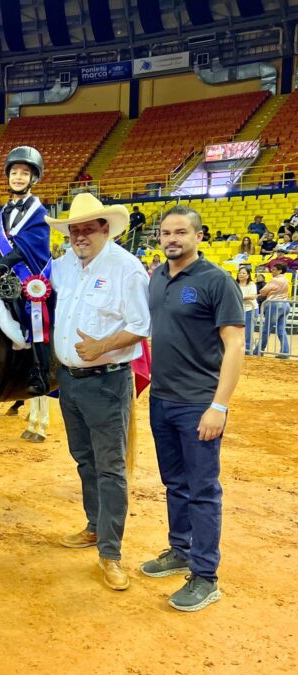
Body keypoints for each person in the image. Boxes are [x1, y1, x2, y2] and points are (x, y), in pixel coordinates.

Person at [45, 193, 150, 592]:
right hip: (70, 382)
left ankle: (111, 552)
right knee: (84, 458)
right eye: (74, 229)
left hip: (107, 380)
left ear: (106, 228)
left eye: (88, 228)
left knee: (110, 468)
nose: (80, 235)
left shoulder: (127, 268)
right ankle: (93, 526)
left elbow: (142, 325)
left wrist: (102, 346)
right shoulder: (65, 265)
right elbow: (34, 282)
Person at [142, 205, 244, 612]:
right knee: (175, 483)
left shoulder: (216, 281)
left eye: (181, 232)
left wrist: (218, 405)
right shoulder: (156, 279)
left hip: (199, 403)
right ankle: (179, 549)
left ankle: (205, 576)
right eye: (166, 233)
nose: (172, 239)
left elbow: (235, 346)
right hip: (162, 400)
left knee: (203, 490)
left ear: (198, 237)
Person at [0, 146, 53, 396]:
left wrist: (1, 267)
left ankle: (39, 371)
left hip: (31, 275)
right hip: (5, 271)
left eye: (24, 173)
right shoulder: (3, 213)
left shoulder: (39, 212)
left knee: (33, 308)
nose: (19, 177)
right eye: (14, 172)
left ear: (33, 178)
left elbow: (28, 247)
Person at [255, 262, 290, 357]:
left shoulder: (275, 280)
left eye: (274, 269)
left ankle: (259, 349)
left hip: (274, 305)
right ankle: (285, 352)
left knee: (266, 329)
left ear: (280, 271)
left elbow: (263, 291)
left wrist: (261, 293)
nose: (272, 271)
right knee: (281, 329)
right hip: (285, 304)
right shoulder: (285, 280)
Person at [237, 267, 258, 355]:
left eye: (244, 273)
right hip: (238, 309)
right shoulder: (235, 284)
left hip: (250, 309)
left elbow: (252, 296)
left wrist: (239, 297)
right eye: (240, 273)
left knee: (248, 330)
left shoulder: (252, 285)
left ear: (248, 275)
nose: (241, 274)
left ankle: (248, 349)